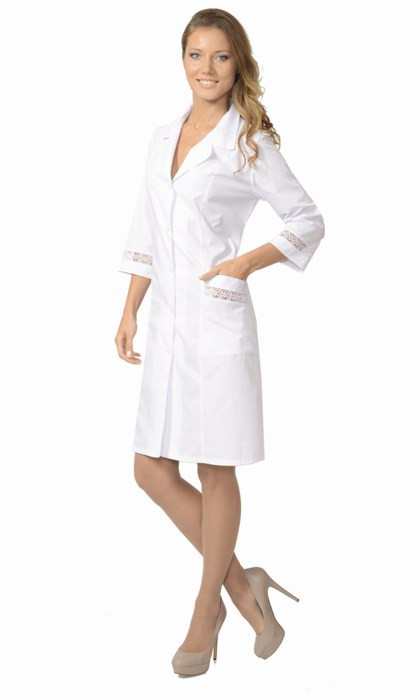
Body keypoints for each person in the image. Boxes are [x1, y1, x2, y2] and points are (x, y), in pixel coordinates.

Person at [115, 8, 324, 676]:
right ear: (182, 60)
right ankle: (242, 584)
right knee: (150, 468)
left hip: (218, 322)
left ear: (239, 64)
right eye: (196, 55)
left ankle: (206, 611)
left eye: (221, 57)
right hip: (166, 326)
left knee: (214, 468)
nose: (207, 69)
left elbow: (306, 219)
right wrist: (129, 309)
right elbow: (147, 229)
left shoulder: (248, 143)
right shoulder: (161, 137)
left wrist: (244, 263)